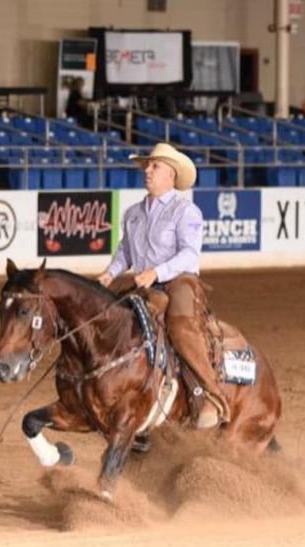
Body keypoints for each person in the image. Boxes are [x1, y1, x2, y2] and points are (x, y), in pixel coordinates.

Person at [96, 143, 230, 429]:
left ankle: (212, 394)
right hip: (148, 285)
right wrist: (110, 273)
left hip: (179, 281)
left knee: (180, 325)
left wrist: (156, 271)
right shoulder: (133, 213)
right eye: (147, 165)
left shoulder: (186, 211)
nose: (147, 170)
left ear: (171, 175)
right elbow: (126, 251)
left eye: (155, 166)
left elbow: (189, 255)